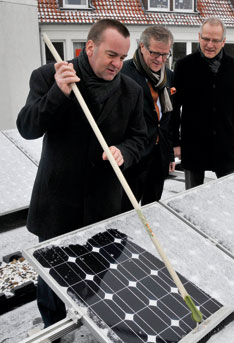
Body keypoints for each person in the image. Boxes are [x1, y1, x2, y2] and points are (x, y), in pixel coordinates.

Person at [16, 19, 147, 331]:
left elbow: (141, 137)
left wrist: (124, 152)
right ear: (90, 47)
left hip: (103, 203)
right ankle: (53, 329)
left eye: (123, 57)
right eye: (111, 55)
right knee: (51, 279)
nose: (118, 64)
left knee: (95, 274)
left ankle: (85, 322)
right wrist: (57, 93)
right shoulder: (50, 76)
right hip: (58, 202)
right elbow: (27, 127)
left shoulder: (131, 89)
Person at [172, 17, 234, 189]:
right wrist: (175, 142)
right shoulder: (184, 65)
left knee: (231, 192)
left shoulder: (233, 66)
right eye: (206, 39)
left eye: (215, 40)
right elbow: (174, 107)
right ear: (199, 36)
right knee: (191, 197)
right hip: (194, 144)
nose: (210, 44)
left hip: (225, 143)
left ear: (224, 42)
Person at [121, 25, 175, 208]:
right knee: (126, 213)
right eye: (155, 53)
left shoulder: (168, 76)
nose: (160, 59)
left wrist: (169, 155)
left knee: (153, 209)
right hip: (134, 159)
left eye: (165, 54)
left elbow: (169, 118)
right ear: (142, 47)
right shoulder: (123, 74)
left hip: (159, 157)